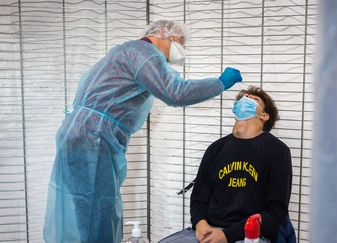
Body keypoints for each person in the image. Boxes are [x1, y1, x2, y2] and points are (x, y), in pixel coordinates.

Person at [43, 20, 243, 243]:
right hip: (94, 137)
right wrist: (220, 83)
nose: (181, 50)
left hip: (79, 133)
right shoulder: (145, 53)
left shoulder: (124, 52)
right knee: (97, 206)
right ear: (164, 34)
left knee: (83, 205)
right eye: (180, 42)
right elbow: (175, 93)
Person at [159, 86, 295, 243]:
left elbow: (276, 212)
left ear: (264, 116)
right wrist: (200, 224)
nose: (245, 99)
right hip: (210, 231)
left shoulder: (277, 151)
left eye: (253, 99)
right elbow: (199, 197)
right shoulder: (216, 149)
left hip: (251, 236)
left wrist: (227, 235)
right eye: (243, 97)